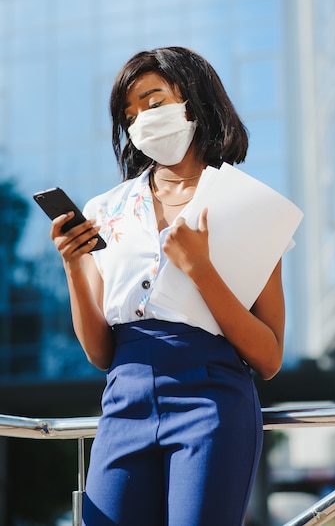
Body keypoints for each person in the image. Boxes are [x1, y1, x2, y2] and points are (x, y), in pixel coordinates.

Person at [50, 46, 287, 526]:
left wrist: (200, 269)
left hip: (212, 403)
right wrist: (75, 267)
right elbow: (100, 354)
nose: (140, 121)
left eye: (153, 101)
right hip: (123, 401)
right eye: (130, 114)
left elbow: (269, 357)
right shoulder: (106, 209)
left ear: (193, 100)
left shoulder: (250, 205)